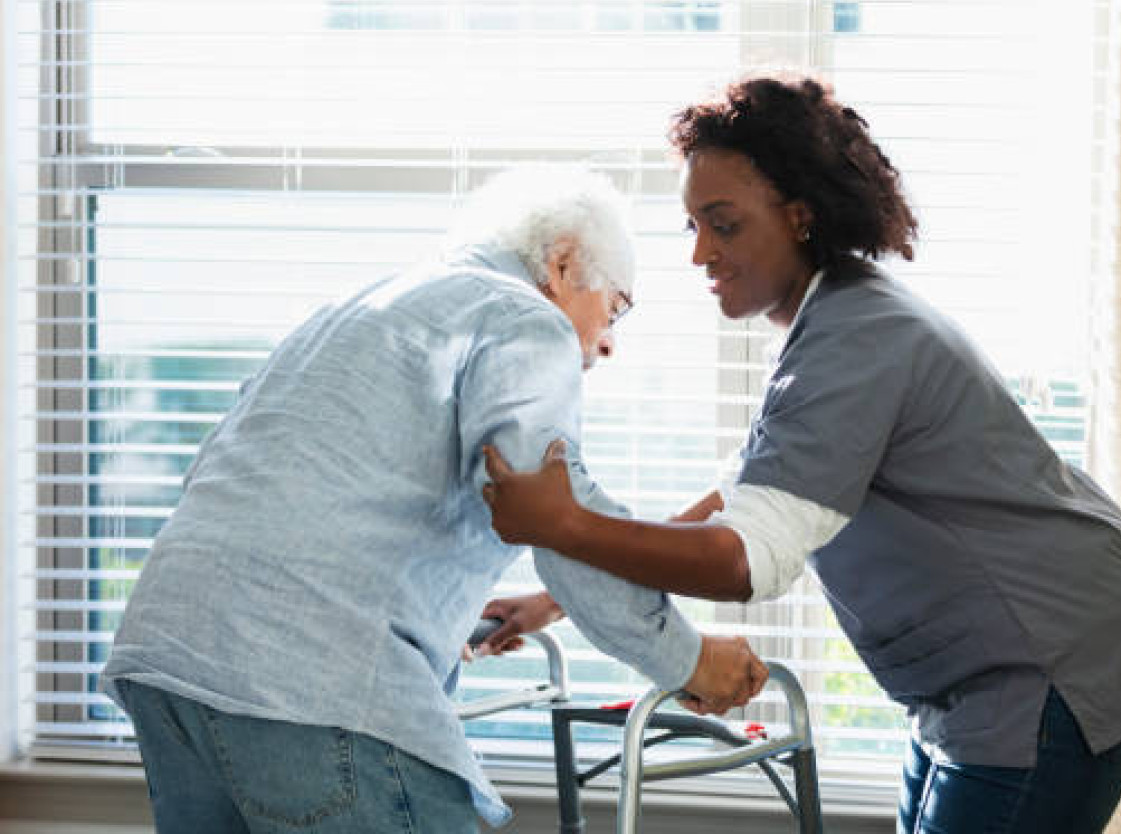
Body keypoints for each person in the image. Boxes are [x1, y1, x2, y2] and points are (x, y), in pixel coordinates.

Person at [480, 76, 1121, 834]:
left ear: (799, 215)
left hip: (1057, 669)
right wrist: (556, 598)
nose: (698, 254)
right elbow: (738, 495)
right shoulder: (829, 323)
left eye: (722, 225)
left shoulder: (856, 338)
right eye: (692, 225)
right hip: (982, 682)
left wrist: (563, 528)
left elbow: (743, 561)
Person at [100, 166, 767, 834]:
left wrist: (430, 607)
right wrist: (689, 658)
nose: (611, 340)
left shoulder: (357, 310)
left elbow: (267, 486)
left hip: (171, 666)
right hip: (309, 686)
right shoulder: (522, 318)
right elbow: (563, 518)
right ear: (563, 264)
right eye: (617, 307)